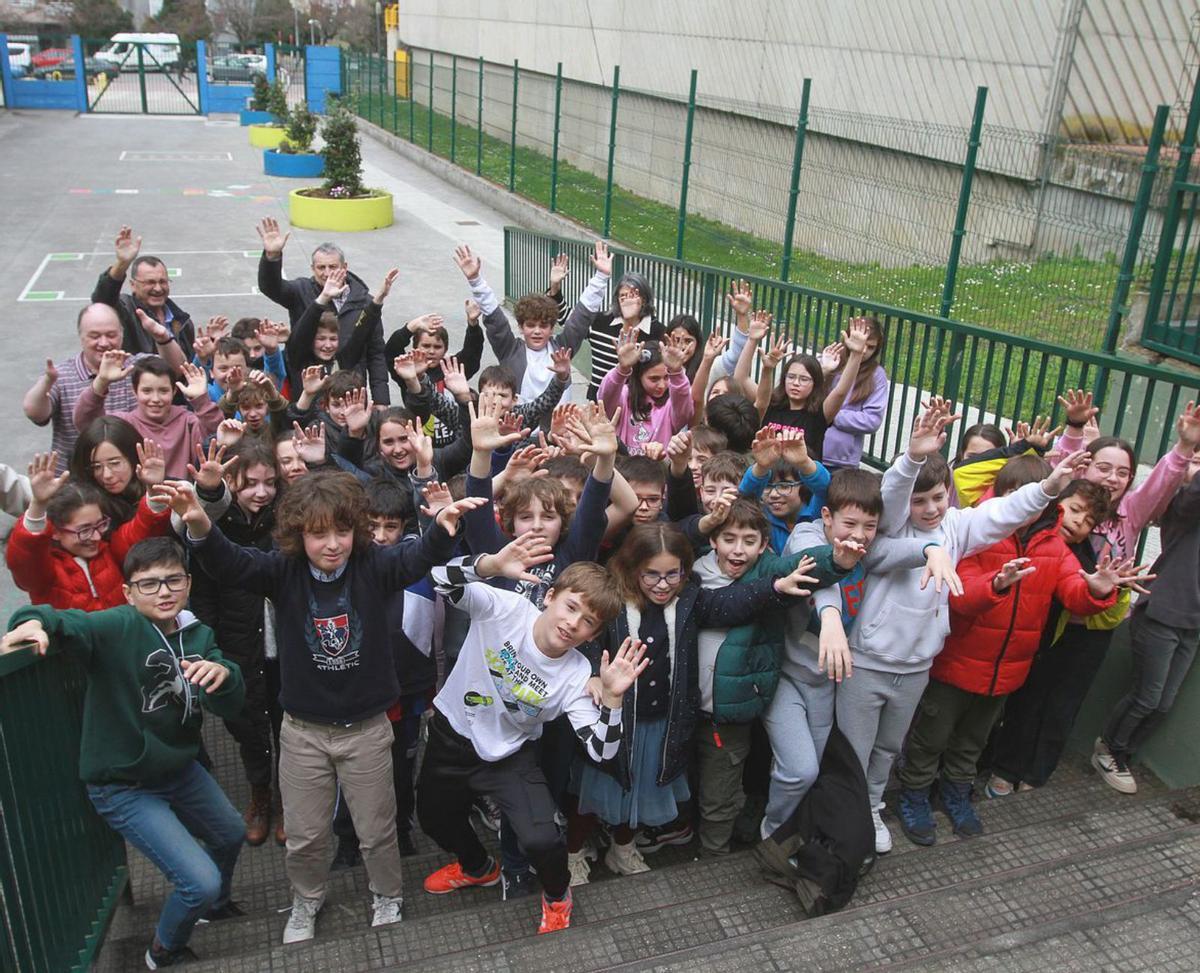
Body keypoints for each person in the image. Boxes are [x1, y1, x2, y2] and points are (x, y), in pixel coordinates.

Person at [166, 471, 482, 945]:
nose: (331, 545)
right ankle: (307, 898)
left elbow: (415, 556)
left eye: (341, 532)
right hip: (302, 731)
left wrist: (442, 527)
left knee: (377, 830)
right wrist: (199, 525)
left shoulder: (373, 567)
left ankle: (387, 893)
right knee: (307, 834)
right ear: (299, 535)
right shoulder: (283, 571)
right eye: (318, 534)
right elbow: (231, 564)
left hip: (368, 728)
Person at [820, 403, 1086, 854]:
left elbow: (1002, 512)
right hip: (867, 661)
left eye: (938, 498)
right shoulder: (890, 528)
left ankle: (869, 809)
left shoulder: (958, 526)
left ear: (950, 495)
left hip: (918, 664)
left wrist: (1046, 488)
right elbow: (895, 492)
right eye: (920, 501)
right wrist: (912, 458)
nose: (930, 509)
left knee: (887, 749)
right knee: (853, 747)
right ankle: (841, 818)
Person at [1, 536, 246, 970]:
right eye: (148, 584)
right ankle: (163, 950)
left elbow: (229, 701)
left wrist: (224, 676)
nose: (164, 591)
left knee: (229, 833)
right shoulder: (118, 625)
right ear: (128, 592)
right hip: (124, 785)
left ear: (188, 584)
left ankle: (212, 905)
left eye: (173, 580)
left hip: (179, 768)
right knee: (198, 881)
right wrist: (32, 623)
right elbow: (64, 621)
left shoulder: (197, 633)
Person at [896, 455, 1138, 844]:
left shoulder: (1054, 546)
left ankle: (957, 792)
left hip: (1007, 670)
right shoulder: (976, 538)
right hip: (954, 666)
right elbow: (960, 597)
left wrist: (1098, 589)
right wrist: (996, 586)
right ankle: (915, 793)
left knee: (973, 740)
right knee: (931, 736)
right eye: (1014, 497)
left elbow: (1073, 591)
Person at [566, 523, 822, 878]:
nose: (662, 583)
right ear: (632, 568)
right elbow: (588, 639)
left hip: (660, 725)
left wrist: (776, 587)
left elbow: (731, 603)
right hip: (614, 723)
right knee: (596, 795)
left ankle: (622, 848)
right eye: (651, 574)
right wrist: (593, 673)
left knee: (643, 790)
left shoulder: (689, 600)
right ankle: (574, 853)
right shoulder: (614, 603)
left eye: (673, 574)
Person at [417, 548, 640, 935]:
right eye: (570, 607)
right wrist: (489, 567)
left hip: (509, 754)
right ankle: (478, 869)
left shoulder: (576, 674)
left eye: (587, 622)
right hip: (451, 735)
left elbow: (603, 750)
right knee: (434, 820)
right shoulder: (506, 608)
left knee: (541, 838)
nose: (572, 624)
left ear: (594, 634)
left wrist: (614, 698)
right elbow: (438, 578)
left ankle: (557, 896)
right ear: (551, 596)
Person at [688, 498, 852, 856]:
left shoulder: (768, 572)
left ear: (764, 545)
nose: (738, 549)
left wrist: (836, 562)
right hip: (685, 708)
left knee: (721, 792)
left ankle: (713, 854)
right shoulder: (693, 574)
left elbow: (799, 565)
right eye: (728, 538)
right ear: (712, 540)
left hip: (727, 716)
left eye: (749, 541)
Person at [185, 440, 282, 847]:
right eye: (251, 484)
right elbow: (202, 595)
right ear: (231, 483)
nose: (262, 492)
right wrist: (210, 647)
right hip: (237, 645)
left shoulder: (285, 520)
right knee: (248, 730)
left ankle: (292, 800)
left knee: (288, 727)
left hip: (284, 645)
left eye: (270, 483)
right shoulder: (215, 527)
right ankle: (261, 796)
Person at [1094, 451, 1200, 794]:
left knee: (1163, 703)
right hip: (1162, 614)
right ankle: (1109, 749)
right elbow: (1189, 498)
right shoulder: (1184, 509)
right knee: (1147, 698)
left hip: (1192, 624)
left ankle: (1123, 751)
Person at [6, 451, 171, 611]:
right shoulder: (43, 569)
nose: (96, 536)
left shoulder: (109, 550)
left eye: (100, 525)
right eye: (84, 530)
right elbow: (26, 560)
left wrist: (153, 489)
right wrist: (38, 504)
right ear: (55, 531)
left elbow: (141, 529)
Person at [255, 218, 394, 406]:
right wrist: (272, 257)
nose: (327, 273)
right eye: (321, 267)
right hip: (309, 391)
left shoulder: (365, 301)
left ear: (345, 267)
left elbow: (376, 353)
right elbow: (271, 287)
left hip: (351, 392)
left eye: (333, 267)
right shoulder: (300, 291)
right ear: (312, 269)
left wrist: (381, 400)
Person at [23, 304, 150, 471]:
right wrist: (47, 381)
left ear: (122, 334)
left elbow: (176, 370)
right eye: (94, 336)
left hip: (130, 478)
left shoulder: (139, 368)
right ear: (81, 337)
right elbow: (34, 413)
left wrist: (163, 338)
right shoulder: (61, 375)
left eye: (111, 335)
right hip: (74, 479)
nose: (104, 343)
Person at [75, 354, 223, 480]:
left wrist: (202, 401)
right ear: (135, 391)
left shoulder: (188, 422)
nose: (155, 399)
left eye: (163, 391)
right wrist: (101, 381)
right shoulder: (123, 423)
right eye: (147, 391)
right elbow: (86, 422)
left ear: (174, 391)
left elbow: (216, 437)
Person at [747, 315, 872, 462]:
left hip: (802, 480)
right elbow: (758, 397)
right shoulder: (772, 404)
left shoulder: (819, 413)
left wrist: (856, 354)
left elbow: (840, 392)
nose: (796, 383)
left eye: (804, 379)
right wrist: (767, 369)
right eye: (791, 377)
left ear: (815, 383)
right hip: (767, 477)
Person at [563, 241, 666, 400]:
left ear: (644, 299)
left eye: (633, 296)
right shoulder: (601, 322)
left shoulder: (658, 332)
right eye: (623, 296)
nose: (627, 301)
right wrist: (554, 289)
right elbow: (569, 321)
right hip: (597, 404)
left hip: (635, 408)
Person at [284, 264, 399, 406]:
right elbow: (303, 331)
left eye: (333, 339)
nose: (328, 345)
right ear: (311, 340)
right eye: (321, 339)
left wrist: (378, 299)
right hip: (310, 425)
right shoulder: (300, 359)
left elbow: (361, 331)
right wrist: (323, 298)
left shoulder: (344, 359)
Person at [92, 225, 196, 360]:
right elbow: (103, 301)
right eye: (150, 282)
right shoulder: (126, 310)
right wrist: (122, 264)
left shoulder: (183, 321)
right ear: (133, 285)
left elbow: (189, 364)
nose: (158, 288)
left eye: (163, 281)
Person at [600, 333, 694, 455]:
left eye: (666, 377)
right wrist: (622, 370)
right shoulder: (624, 395)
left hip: (658, 471)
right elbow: (605, 399)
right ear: (639, 377)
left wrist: (676, 373)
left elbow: (684, 411)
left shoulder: (672, 403)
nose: (661, 385)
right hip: (622, 468)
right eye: (654, 379)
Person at [820, 315, 888, 470]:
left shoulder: (876, 375)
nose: (864, 351)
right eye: (862, 344)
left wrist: (830, 414)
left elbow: (872, 420)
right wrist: (822, 371)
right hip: (809, 450)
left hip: (841, 461)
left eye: (871, 347)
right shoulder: (830, 359)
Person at [69, 416, 164, 527]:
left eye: (115, 463)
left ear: (134, 458)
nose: (107, 475)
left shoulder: (172, 490)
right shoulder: (81, 503)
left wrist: (154, 489)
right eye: (96, 467)